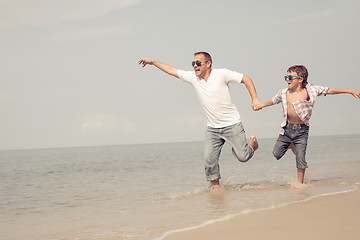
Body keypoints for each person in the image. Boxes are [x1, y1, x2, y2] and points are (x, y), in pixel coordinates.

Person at [139, 52, 260, 190]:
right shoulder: (193, 78)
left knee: (243, 156)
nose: (195, 66)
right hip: (213, 128)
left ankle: (252, 144)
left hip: (232, 124)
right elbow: (172, 70)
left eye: (198, 63)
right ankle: (216, 189)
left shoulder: (221, 74)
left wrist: (255, 99)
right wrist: (153, 62)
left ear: (208, 64)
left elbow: (246, 79)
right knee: (209, 160)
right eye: (193, 63)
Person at [254, 65, 360, 184]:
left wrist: (350, 91)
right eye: (286, 77)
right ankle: (290, 145)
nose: (287, 80)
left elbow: (330, 91)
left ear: (300, 79)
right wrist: (261, 105)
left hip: (302, 131)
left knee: (301, 158)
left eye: (290, 77)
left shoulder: (311, 90)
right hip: (287, 129)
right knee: (276, 153)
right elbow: (273, 101)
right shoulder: (284, 93)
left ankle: (300, 183)